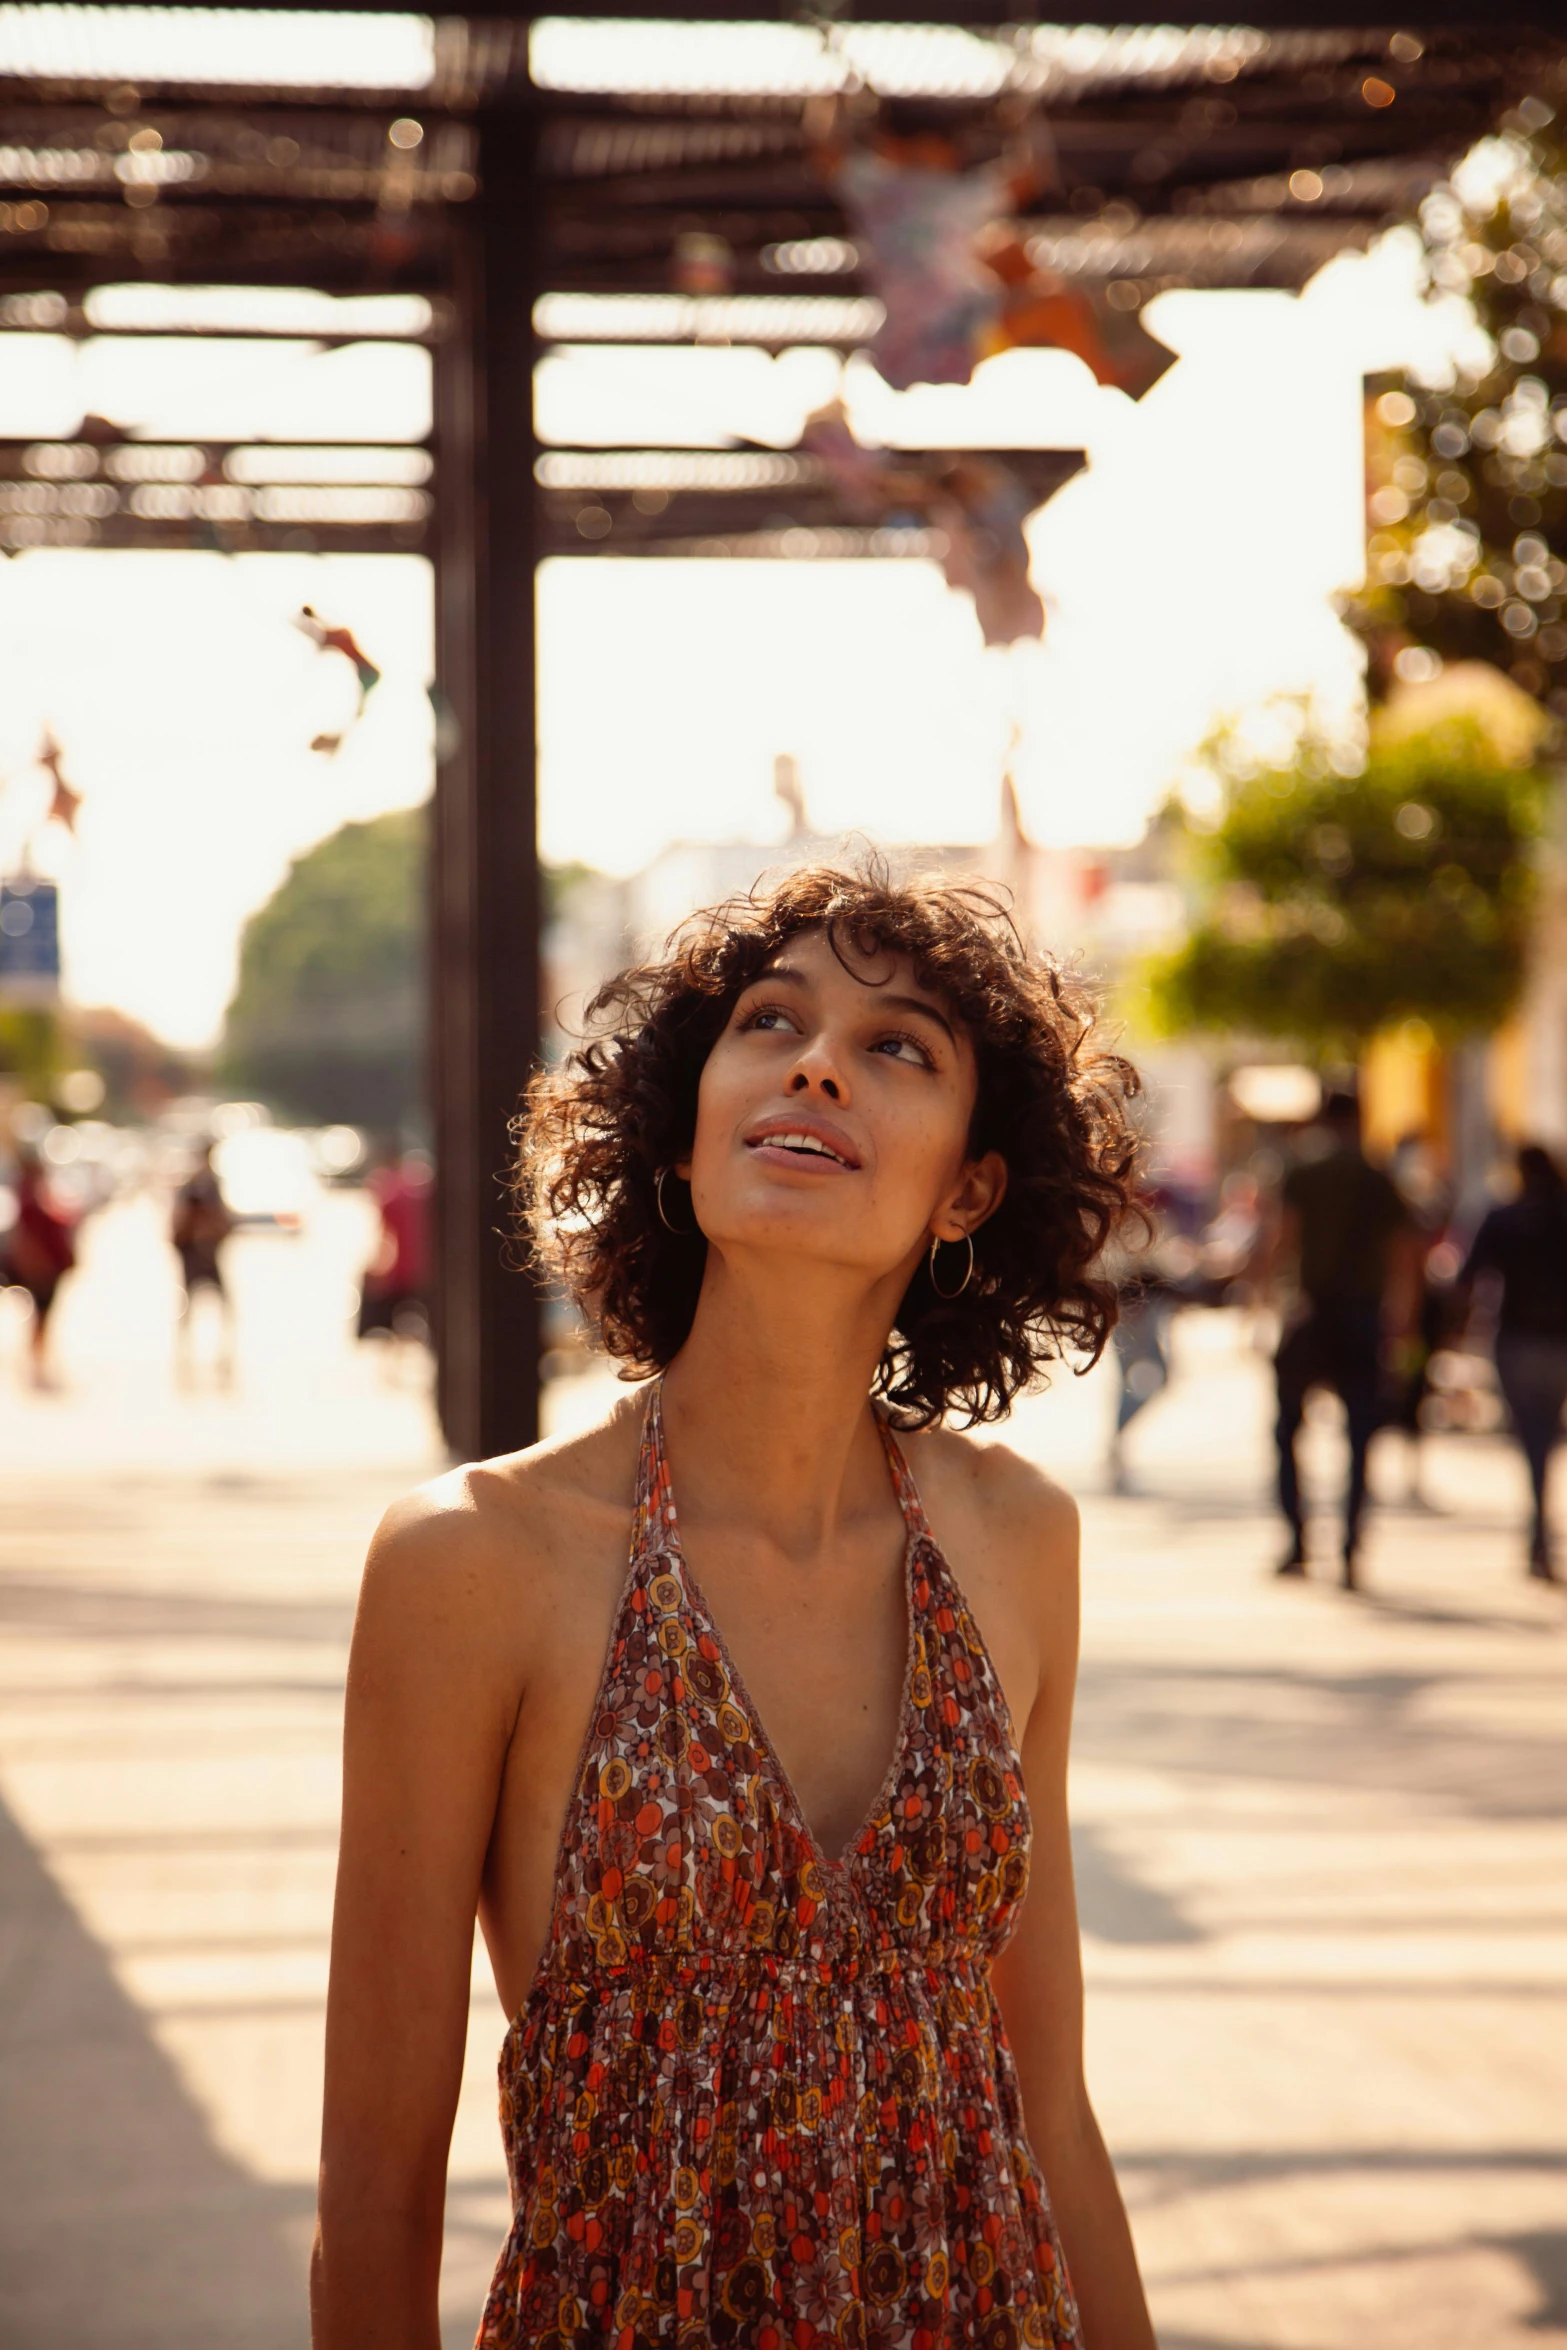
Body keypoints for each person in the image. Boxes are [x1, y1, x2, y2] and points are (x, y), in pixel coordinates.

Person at [312, 865, 1157, 2350]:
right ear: (683, 1136)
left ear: (968, 1184)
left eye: (897, 1045)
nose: (818, 1058)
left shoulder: (1017, 1536)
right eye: (771, 1022)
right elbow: (373, 2208)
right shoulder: (472, 1560)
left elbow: (1051, 2107)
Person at [1263, 1089, 1418, 1589]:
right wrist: (1403, 1320)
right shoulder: (1379, 1176)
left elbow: (1282, 1237)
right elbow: (1404, 1253)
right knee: (1360, 1436)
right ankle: (1350, 1546)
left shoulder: (1302, 1169)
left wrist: (1260, 1300)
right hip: (1362, 1317)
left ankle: (1298, 1540)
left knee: (1289, 1429)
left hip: (1311, 1312)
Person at [1459, 1142, 1567, 1580]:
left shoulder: (1504, 1216)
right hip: (1559, 1341)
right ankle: (1540, 1530)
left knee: (1532, 1436)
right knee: (1546, 1434)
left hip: (1519, 1340)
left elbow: (1468, 1275)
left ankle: (1538, 1527)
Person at [2, 1144, 76, 1389]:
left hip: (51, 1265)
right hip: (42, 1268)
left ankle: (38, 1361)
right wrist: (36, 1265)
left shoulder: (36, 1193)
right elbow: (27, 1239)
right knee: (40, 1318)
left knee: (43, 1319)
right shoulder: (27, 1197)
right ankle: (36, 1363)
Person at [356, 1141, 431, 1353]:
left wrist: (377, 1272)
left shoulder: (388, 1191)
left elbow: (385, 1238)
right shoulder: (418, 1186)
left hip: (400, 1271)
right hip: (425, 1269)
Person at [172, 1140, 236, 1381]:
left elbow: (224, 1222)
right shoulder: (191, 1187)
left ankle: (222, 1358)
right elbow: (179, 1225)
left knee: (224, 1308)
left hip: (210, 1254)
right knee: (187, 1309)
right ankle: (185, 1357)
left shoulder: (213, 1185)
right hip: (193, 1254)